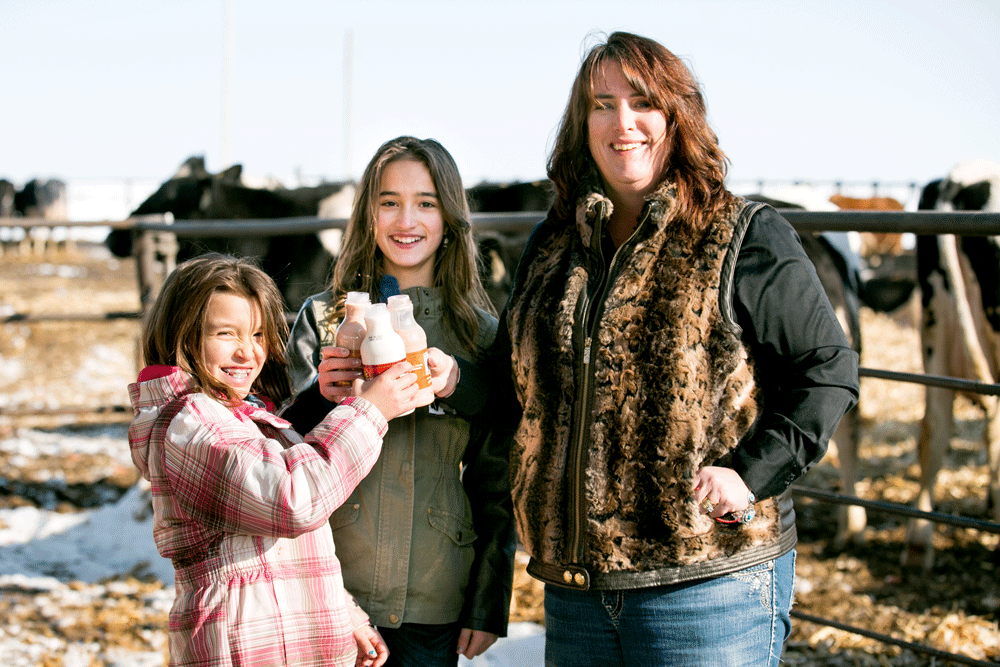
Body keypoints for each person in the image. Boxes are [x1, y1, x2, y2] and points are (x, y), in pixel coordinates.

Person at [486, 32, 860, 667]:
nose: (622, 122)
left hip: (707, 588)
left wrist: (751, 473)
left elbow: (827, 369)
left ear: (677, 117)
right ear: (582, 125)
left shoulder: (745, 234)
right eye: (602, 105)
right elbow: (509, 387)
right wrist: (439, 375)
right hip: (576, 592)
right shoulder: (553, 246)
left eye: (643, 103)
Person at [282, 136, 515, 666]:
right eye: (389, 201)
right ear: (367, 214)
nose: (405, 219)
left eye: (426, 203)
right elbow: (280, 452)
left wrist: (487, 600)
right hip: (331, 590)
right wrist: (321, 397)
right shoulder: (322, 321)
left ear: (451, 217)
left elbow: (497, 478)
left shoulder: (479, 334)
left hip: (431, 599)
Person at [128, 253, 417, 667]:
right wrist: (369, 412)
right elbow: (292, 499)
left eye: (259, 335)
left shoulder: (241, 415)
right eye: (226, 334)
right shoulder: (188, 425)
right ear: (183, 336)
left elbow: (284, 549)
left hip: (284, 639)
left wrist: (341, 612)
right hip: (245, 647)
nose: (248, 352)